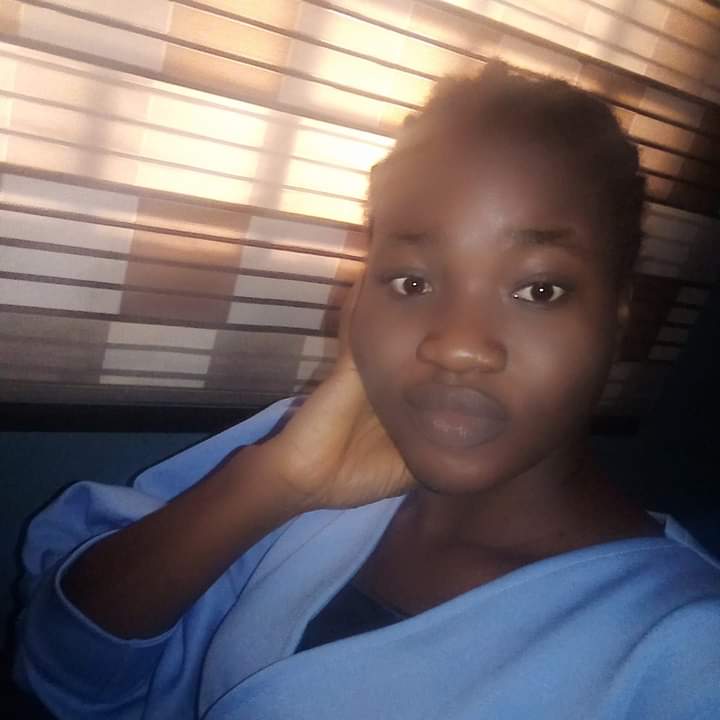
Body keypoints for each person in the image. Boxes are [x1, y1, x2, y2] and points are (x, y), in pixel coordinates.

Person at [14, 61, 720, 719]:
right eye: (412, 281)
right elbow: (60, 669)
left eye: (538, 289)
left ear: (619, 316)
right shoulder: (303, 449)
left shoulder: (687, 647)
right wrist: (275, 485)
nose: (457, 345)